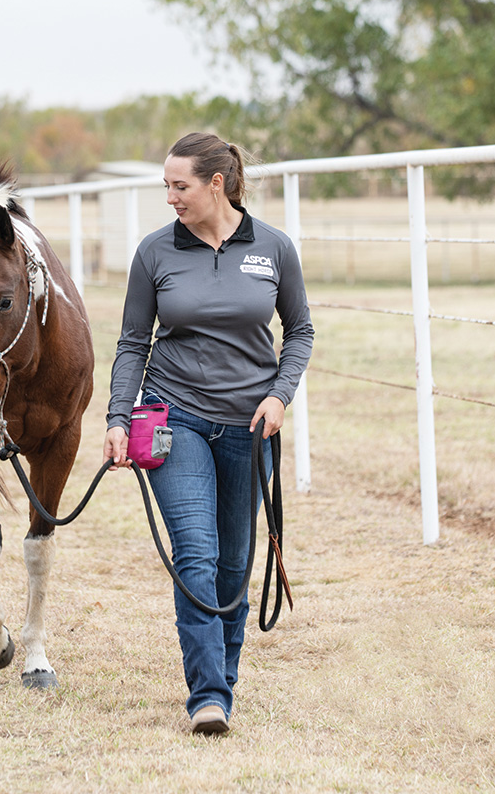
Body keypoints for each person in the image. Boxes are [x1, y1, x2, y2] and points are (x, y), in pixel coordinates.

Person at [103, 131, 315, 735]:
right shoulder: (155, 253)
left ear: (215, 184)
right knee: (195, 555)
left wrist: (280, 395)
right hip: (177, 420)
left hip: (251, 429)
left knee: (232, 564)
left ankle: (222, 675)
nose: (170, 198)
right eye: (166, 186)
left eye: (180, 186)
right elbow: (131, 344)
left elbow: (299, 330)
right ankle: (208, 697)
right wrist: (119, 417)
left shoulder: (273, 247)